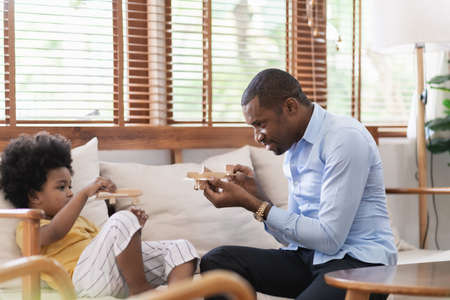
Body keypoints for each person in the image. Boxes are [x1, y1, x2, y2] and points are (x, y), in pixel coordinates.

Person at [200, 68, 397, 300]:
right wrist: (261, 200)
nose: (257, 136)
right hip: (311, 259)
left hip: (361, 265)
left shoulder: (344, 139)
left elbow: (329, 238)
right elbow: (292, 237)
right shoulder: (295, 147)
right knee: (218, 261)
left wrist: (254, 205)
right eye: (253, 127)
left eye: (260, 124)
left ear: (290, 107)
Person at [0, 132, 199, 298]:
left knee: (181, 248)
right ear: (34, 195)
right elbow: (55, 231)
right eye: (62, 187)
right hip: (83, 280)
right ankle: (141, 291)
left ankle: (174, 296)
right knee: (121, 219)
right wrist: (84, 194)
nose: (70, 192)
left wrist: (133, 230)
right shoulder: (29, 226)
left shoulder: (82, 221)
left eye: (71, 186)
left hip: (114, 275)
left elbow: (110, 246)